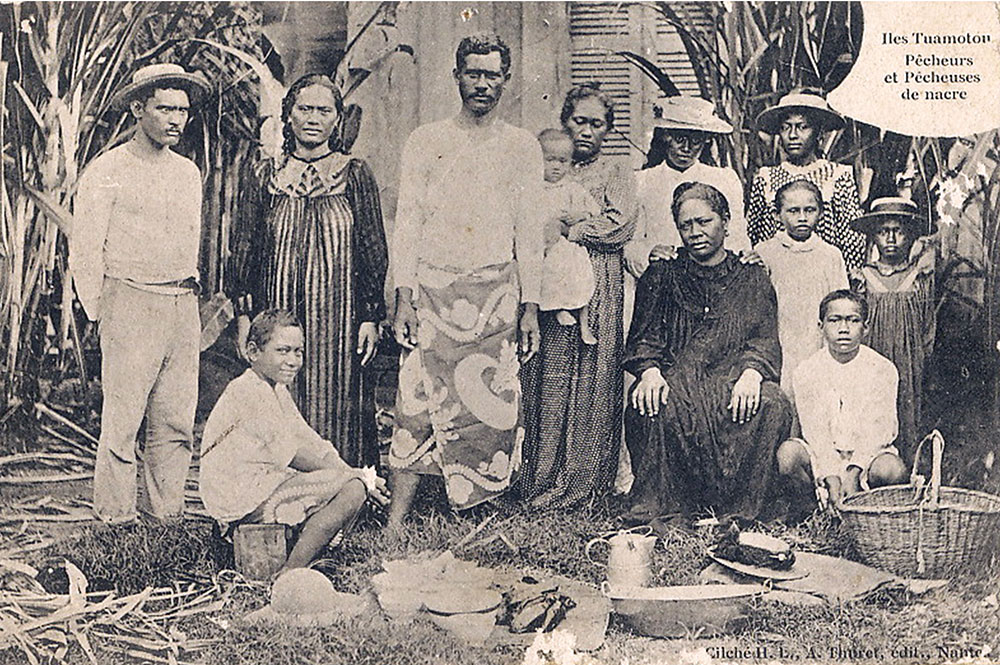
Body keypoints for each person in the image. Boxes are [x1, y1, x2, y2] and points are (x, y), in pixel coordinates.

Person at [387, 35, 543, 524]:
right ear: (456, 76)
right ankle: (396, 521)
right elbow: (408, 221)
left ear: (506, 80)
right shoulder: (426, 141)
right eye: (473, 73)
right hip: (432, 291)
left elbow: (529, 232)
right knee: (413, 401)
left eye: (492, 75)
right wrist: (403, 296)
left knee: (493, 410)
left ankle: (479, 515)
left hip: (497, 295)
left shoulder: (521, 146)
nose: (483, 84)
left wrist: (530, 307)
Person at [70, 64, 209, 523]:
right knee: (123, 420)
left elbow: (189, 241)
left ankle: (165, 518)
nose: (176, 119)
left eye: (183, 111)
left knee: (174, 420)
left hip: (181, 302)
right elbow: (86, 246)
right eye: (165, 108)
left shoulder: (188, 173)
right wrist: (99, 309)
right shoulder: (108, 170)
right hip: (129, 299)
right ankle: (115, 518)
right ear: (138, 109)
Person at [227, 74, 388, 470]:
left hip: (339, 319)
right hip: (277, 314)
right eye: (304, 109)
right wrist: (245, 317)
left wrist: (370, 316)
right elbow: (244, 249)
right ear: (289, 115)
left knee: (338, 395)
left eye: (324, 110)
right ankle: (279, 496)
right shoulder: (265, 175)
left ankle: (346, 494)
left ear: (337, 119)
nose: (313, 118)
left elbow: (372, 250)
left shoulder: (354, 174)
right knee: (277, 395)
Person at [623, 182, 791, 524]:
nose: (695, 232)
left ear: (726, 222)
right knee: (648, 404)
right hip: (678, 381)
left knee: (772, 403)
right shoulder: (662, 274)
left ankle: (740, 508)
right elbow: (645, 337)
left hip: (731, 380)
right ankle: (673, 505)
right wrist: (650, 373)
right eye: (686, 225)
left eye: (704, 222)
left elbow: (763, 338)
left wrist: (752, 373)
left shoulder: (752, 277)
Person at [517, 83, 639, 509]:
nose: (587, 131)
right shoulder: (543, 167)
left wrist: (570, 230)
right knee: (548, 376)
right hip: (549, 283)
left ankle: (584, 482)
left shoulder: (617, 171)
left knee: (592, 375)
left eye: (597, 124)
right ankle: (540, 476)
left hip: (597, 283)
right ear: (564, 122)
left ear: (608, 130)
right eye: (579, 121)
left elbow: (620, 224)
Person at [200, 310, 390, 574]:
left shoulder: (274, 388)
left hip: (259, 484)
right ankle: (291, 572)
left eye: (298, 352)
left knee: (352, 484)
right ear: (253, 352)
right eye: (283, 351)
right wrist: (356, 476)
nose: (293, 361)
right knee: (354, 489)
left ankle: (310, 556)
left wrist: (350, 472)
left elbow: (309, 439)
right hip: (238, 495)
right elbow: (293, 455)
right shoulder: (248, 391)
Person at [777, 290, 907, 513]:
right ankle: (815, 511)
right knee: (787, 456)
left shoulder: (882, 369)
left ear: (866, 328)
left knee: (892, 469)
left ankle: (871, 513)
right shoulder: (807, 371)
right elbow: (816, 433)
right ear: (821, 326)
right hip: (823, 455)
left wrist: (853, 471)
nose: (844, 329)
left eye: (853, 320)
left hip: (866, 456)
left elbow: (877, 431)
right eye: (834, 320)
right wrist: (832, 477)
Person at [852, 197, 937, 462]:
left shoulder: (920, 277)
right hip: (872, 355)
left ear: (910, 236)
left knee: (906, 408)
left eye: (898, 232)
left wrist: (922, 358)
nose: (890, 239)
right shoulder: (862, 277)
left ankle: (908, 470)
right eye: (882, 232)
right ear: (873, 237)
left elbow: (928, 325)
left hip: (908, 361)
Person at [627, 96, 749, 280]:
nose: (686, 148)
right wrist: (649, 255)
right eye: (679, 139)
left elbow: (737, 235)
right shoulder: (642, 182)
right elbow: (631, 243)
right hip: (661, 282)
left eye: (695, 140)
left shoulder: (724, 179)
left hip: (714, 281)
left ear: (706, 140)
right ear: (666, 136)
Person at [747, 88, 866, 270]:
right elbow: (753, 235)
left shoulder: (837, 175)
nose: (793, 135)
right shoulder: (766, 178)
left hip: (822, 272)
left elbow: (852, 241)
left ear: (818, 133)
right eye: (786, 127)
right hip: (776, 275)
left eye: (803, 127)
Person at [756, 179, 848, 399]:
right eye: (793, 211)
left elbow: (840, 306)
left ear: (821, 213)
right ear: (777, 215)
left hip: (816, 346)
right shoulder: (764, 253)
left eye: (809, 210)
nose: (802, 217)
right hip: (779, 346)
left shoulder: (830, 255)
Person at [537, 128, 599, 345]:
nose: (556, 166)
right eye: (550, 160)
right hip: (544, 244)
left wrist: (578, 215)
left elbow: (593, 210)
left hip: (568, 244)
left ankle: (584, 324)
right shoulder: (534, 189)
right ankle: (559, 308)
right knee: (549, 269)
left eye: (562, 161)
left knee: (580, 273)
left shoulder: (573, 188)